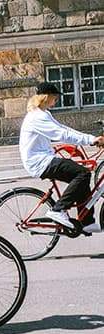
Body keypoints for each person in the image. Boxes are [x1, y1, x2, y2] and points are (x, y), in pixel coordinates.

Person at [19, 81, 104, 233]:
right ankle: (58, 210)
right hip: (40, 162)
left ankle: (86, 222)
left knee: (82, 178)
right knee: (83, 173)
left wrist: (91, 138)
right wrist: (91, 140)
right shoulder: (37, 117)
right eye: (55, 97)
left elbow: (64, 129)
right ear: (46, 97)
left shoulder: (44, 114)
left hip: (44, 158)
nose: (56, 100)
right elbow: (62, 134)